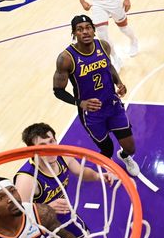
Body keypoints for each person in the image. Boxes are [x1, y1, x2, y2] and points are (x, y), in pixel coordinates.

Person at [14, 122, 117, 238]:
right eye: (43, 146)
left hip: (62, 215)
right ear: (33, 151)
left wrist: (99, 176)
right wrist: (46, 208)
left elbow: (81, 172)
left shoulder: (63, 156)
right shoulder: (27, 179)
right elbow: (19, 215)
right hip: (39, 227)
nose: (50, 148)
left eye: (52, 141)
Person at [53, 15, 141, 179]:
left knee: (131, 148)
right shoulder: (66, 58)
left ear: (94, 30)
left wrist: (119, 83)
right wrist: (81, 103)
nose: (85, 31)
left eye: (88, 27)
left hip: (113, 106)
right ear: (74, 33)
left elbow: (109, 67)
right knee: (107, 149)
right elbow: (58, 90)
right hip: (92, 114)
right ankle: (107, 169)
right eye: (80, 29)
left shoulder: (103, 46)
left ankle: (125, 157)